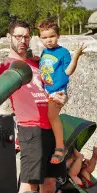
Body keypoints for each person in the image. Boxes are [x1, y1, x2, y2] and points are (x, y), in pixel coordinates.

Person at [0, 21, 67, 193]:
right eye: (18, 36)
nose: (23, 41)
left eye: (26, 36)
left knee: (49, 187)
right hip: (30, 129)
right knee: (29, 186)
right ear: (9, 38)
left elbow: (56, 83)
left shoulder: (38, 62)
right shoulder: (6, 67)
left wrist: (63, 96)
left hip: (51, 128)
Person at [37, 19, 86, 164]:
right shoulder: (44, 52)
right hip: (46, 90)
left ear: (58, 35)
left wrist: (76, 55)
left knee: (52, 116)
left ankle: (60, 147)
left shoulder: (63, 52)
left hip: (58, 92)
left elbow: (68, 71)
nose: (48, 40)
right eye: (44, 38)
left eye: (51, 36)